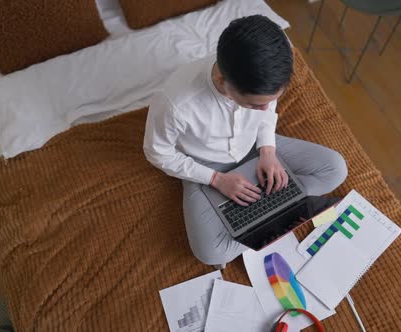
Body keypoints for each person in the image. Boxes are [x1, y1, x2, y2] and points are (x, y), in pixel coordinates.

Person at [143, 15, 347, 268]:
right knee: (210, 253)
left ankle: (264, 213)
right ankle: (283, 207)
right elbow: (157, 153)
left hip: (254, 146)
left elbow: (266, 111)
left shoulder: (267, 73)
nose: (264, 111)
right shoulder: (175, 103)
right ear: (222, 82)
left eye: (270, 100)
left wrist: (268, 150)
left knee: (335, 168)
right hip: (205, 164)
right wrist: (216, 180)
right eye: (253, 104)